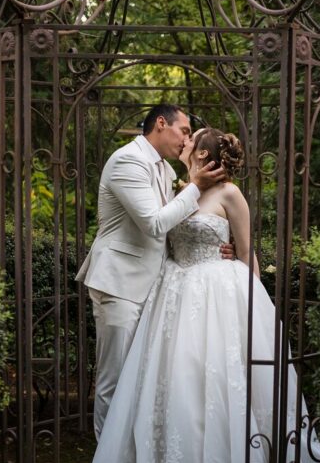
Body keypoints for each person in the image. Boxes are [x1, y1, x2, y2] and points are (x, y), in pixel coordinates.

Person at [83, 127, 320, 463]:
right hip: (173, 293)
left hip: (219, 293)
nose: (184, 141)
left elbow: (249, 257)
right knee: (175, 381)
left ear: (204, 153)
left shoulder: (230, 194)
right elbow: (159, 228)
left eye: (190, 139)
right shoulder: (177, 188)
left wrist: (238, 271)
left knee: (216, 378)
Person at [75, 104, 227, 440]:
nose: (186, 139)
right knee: (114, 379)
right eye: (185, 131)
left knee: (138, 378)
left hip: (153, 286)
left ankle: (128, 458)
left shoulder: (163, 169)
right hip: (120, 285)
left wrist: (218, 246)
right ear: (161, 123)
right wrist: (196, 187)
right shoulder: (128, 161)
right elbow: (155, 224)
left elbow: (175, 230)